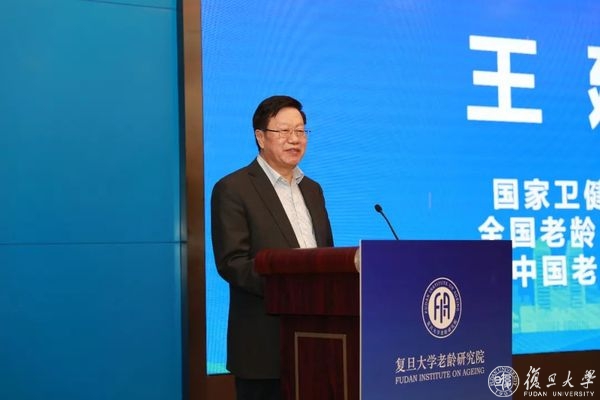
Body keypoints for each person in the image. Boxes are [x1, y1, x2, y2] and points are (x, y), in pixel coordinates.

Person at [211, 95, 334, 400]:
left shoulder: (313, 190)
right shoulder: (233, 188)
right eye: (284, 131)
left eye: (301, 131)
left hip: (317, 343)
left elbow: (326, 256)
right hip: (263, 346)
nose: (295, 139)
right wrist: (292, 290)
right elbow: (233, 262)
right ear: (260, 137)